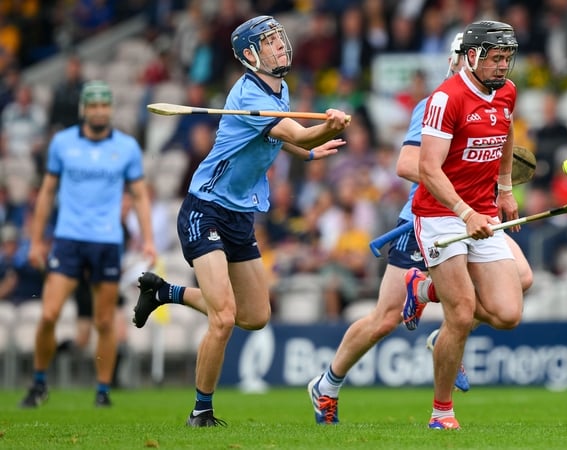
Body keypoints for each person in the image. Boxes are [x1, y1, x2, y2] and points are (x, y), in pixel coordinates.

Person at [131, 15, 349, 427]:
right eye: (269, 42)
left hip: (239, 215)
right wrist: (326, 128)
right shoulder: (251, 94)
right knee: (224, 316)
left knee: (255, 315)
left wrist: (310, 154)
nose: (281, 45)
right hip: (204, 208)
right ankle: (201, 411)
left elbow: (278, 140)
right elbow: (297, 134)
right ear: (251, 55)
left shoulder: (278, 90)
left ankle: (164, 293)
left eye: (279, 38)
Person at [306, 32, 533, 425]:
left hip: (472, 212)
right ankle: (328, 383)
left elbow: (503, 132)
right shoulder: (437, 102)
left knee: (521, 279)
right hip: (424, 218)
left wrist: (499, 181)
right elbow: (409, 165)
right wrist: (462, 185)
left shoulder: (498, 95)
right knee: (386, 317)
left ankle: (441, 323)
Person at [406, 20, 522, 430]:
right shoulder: (446, 97)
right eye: (495, 57)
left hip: (482, 211)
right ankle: (441, 412)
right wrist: (464, 211)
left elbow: (506, 136)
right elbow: (428, 168)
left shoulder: (507, 92)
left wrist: (504, 190)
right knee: (461, 313)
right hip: (440, 215)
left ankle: (426, 287)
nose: (503, 65)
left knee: (509, 313)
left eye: (507, 57)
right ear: (471, 56)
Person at [19, 80, 157, 409]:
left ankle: (103, 390)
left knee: (105, 321)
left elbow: (138, 195)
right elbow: (47, 193)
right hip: (68, 239)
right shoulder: (62, 144)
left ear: (110, 109)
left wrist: (149, 240)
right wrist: (36, 240)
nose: (98, 111)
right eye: (92, 105)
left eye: (103, 105)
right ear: (84, 109)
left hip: (106, 241)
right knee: (49, 314)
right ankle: (39, 383)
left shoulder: (126, 147)